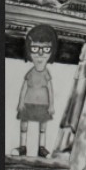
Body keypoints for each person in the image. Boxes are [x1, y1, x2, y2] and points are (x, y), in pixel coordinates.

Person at [15, 24, 57, 157]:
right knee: (24, 125)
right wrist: (20, 102)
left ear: (51, 52)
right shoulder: (30, 73)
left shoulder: (46, 74)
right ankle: (22, 147)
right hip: (28, 103)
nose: (40, 54)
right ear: (29, 51)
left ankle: (41, 148)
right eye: (35, 48)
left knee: (43, 127)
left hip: (43, 105)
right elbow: (24, 88)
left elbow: (50, 90)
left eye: (46, 49)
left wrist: (51, 105)